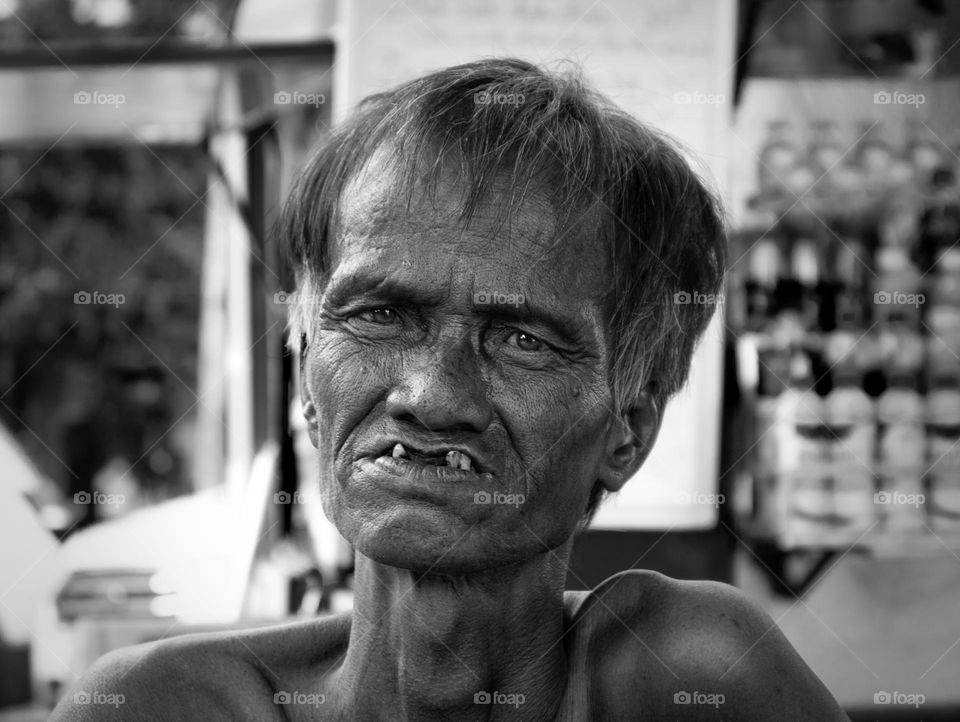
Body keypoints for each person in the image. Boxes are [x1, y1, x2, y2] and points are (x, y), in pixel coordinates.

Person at [52, 58, 849, 721]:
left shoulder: (682, 678)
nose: (432, 396)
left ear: (628, 431)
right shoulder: (163, 707)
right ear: (306, 377)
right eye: (380, 315)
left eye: (523, 341)